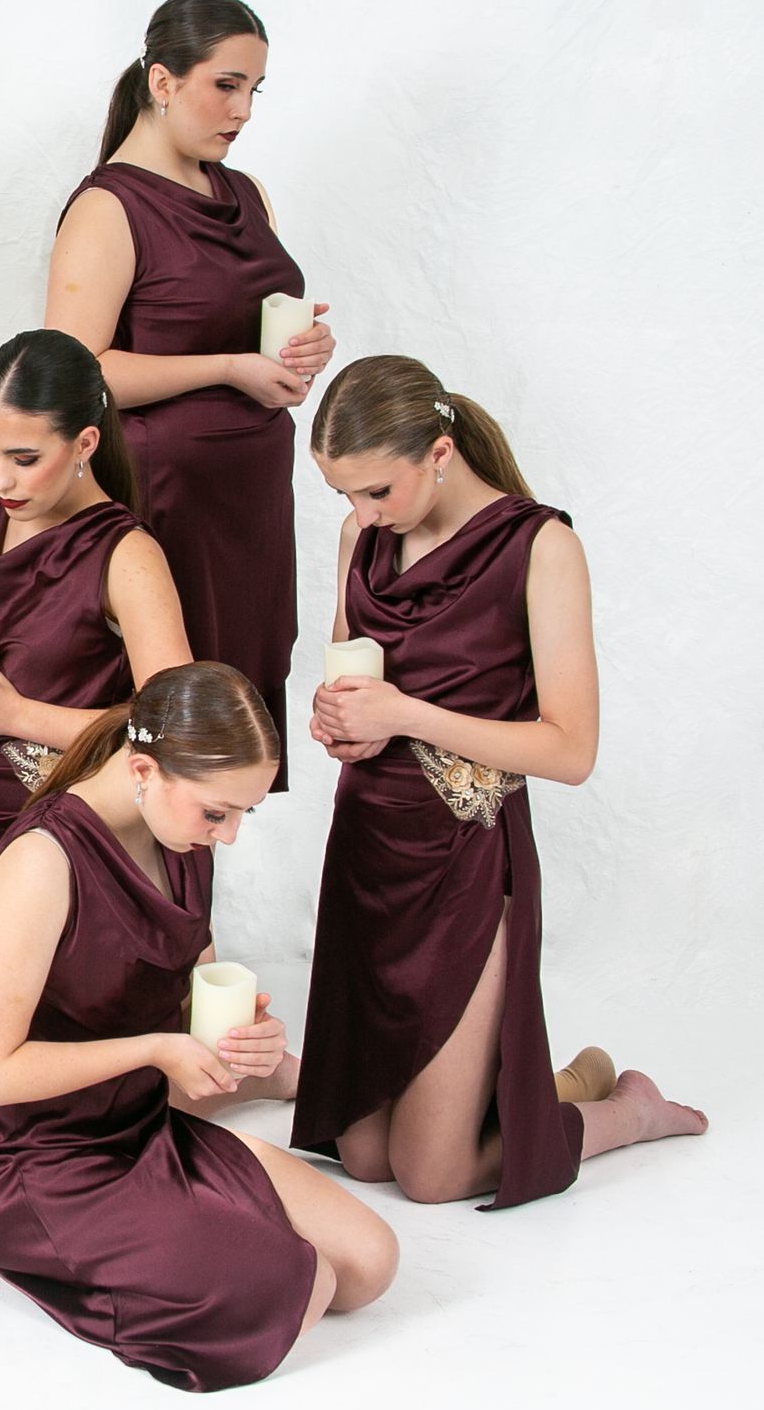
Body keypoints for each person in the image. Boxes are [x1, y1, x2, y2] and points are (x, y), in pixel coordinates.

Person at [294, 354, 708, 1207]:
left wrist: (403, 715)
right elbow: (351, 674)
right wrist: (337, 720)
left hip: (466, 859)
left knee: (432, 1176)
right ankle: (560, 1083)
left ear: (440, 453)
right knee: (364, 1158)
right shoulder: (360, 538)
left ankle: (626, 1113)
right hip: (369, 847)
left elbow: (571, 751)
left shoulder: (541, 547)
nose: (362, 515)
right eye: (343, 495)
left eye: (377, 491)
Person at [0, 663, 396, 1391]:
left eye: (245, 813)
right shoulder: (42, 861)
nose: (231, 836)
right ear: (144, 770)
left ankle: (192, 1211)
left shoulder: (182, 843)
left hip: (136, 1127)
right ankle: (42, 1246)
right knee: (298, 1287)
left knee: (369, 1263)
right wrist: (156, 1049)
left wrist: (245, 1037)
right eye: (218, 813)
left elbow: (188, 992)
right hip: (35, 1161)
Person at [0, 328, 195, 1139]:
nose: (0, 478)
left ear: (87, 443)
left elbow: (176, 724)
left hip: (75, 838)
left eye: (24, 458)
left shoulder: (126, 552)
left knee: (69, 1105)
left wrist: (15, 716)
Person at [46, 0, 334, 790]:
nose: (243, 111)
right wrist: (228, 368)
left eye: (254, 90)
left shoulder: (246, 194)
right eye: (226, 85)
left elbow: (247, 326)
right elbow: (76, 371)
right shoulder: (108, 207)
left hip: (250, 509)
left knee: (229, 742)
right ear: (163, 81)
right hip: (167, 505)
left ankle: (201, 874)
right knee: (168, 731)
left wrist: (302, 350)